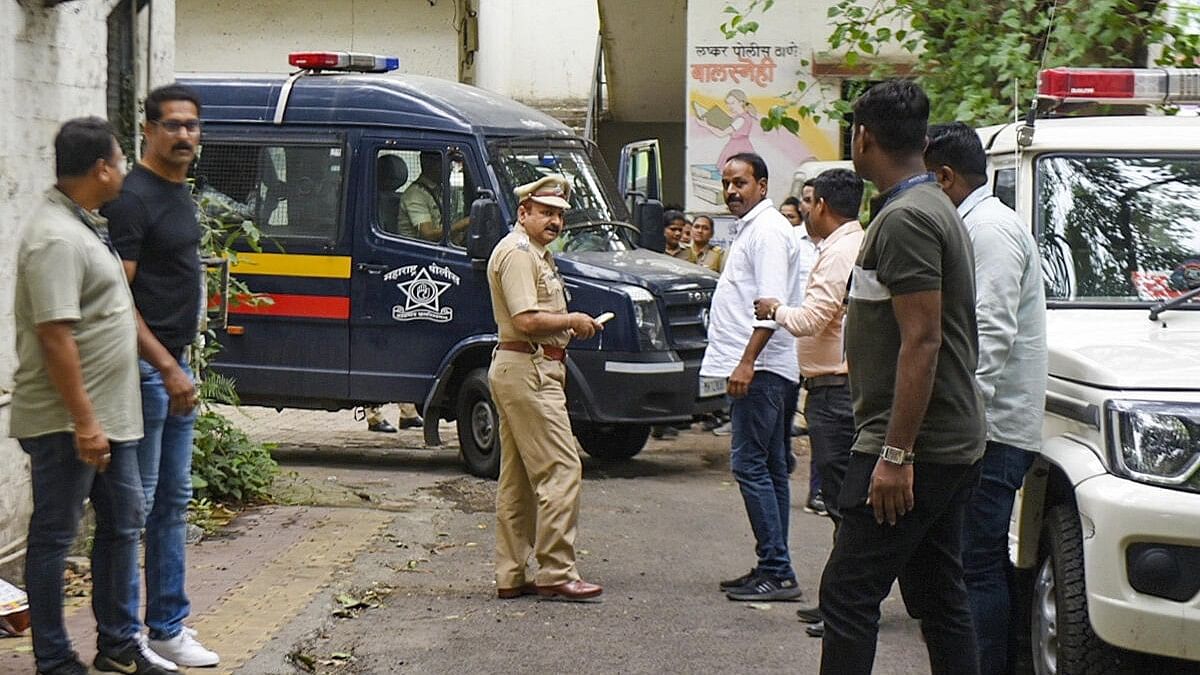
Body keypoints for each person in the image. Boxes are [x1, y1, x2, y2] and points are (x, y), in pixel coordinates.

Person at [817, 80, 985, 674]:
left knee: (848, 594)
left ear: (862, 139)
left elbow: (923, 339)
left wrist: (895, 453)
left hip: (913, 445)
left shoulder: (909, 218)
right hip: (941, 442)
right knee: (939, 595)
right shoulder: (927, 204)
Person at [13, 117, 171, 675]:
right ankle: (55, 658)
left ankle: (119, 645)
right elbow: (55, 334)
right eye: (121, 161)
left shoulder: (84, 226)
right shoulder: (54, 237)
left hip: (111, 417)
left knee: (125, 522)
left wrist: (167, 367)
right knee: (56, 535)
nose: (125, 171)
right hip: (68, 422)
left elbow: (114, 313)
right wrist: (84, 422)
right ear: (102, 168)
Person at [101, 84, 220, 668]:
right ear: (148, 130)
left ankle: (169, 627)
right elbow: (117, 299)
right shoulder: (131, 198)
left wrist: (183, 363)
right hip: (145, 373)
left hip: (177, 365)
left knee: (172, 502)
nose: (183, 136)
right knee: (137, 508)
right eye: (172, 125)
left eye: (191, 126)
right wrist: (167, 367)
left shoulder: (179, 194)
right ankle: (126, 639)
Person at [926, 121, 1047, 675]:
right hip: (986, 427)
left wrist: (960, 419)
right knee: (972, 560)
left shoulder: (990, 230)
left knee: (975, 563)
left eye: (926, 180)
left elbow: (990, 330)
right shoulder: (977, 223)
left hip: (991, 432)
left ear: (945, 176)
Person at [754, 168, 866, 638]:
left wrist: (775, 310)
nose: (804, 212)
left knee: (844, 506)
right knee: (843, 503)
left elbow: (815, 318)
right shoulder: (846, 245)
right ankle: (837, 602)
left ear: (821, 205)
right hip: (835, 389)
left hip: (836, 393)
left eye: (808, 203)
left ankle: (843, 609)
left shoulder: (840, 251)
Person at [487, 174, 605, 602]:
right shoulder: (519, 254)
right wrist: (573, 321)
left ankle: (512, 573)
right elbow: (527, 320)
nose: (555, 221)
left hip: (529, 367)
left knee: (517, 479)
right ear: (524, 212)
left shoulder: (535, 253)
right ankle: (556, 571)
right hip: (529, 368)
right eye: (546, 212)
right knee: (561, 468)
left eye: (559, 214)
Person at [700, 152, 802, 602]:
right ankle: (773, 565)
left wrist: (746, 363)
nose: (731, 191)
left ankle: (777, 570)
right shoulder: (754, 230)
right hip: (763, 369)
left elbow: (770, 305)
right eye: (726, 183)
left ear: (762, 184)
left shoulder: (767, 233)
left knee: (750, 466)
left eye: (740, 182)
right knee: (773, 468)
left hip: (761, 371)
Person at [396, 150, 469, 243]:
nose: (450, 169)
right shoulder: (415, 194)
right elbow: (428, 235)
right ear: (429, 165)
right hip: (419, 251)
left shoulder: (438, 189)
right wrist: (462, 224)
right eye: (445, 164)